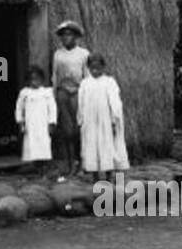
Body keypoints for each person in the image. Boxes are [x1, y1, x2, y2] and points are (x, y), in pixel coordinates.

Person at [76, 52, 129, 174]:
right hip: (90, 123)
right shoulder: (85, 83)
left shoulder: (109, 82)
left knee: (107, 148)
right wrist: (81, 119)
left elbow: (115, 103)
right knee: (91, 148)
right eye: (92, 68)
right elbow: (81, 103)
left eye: (98, 68)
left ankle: (109, 176)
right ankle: (95, 177)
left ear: (103, 67)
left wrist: (115, 120)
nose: (95, 71)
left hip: (105, 122)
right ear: (88, 68)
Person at [51, 20, 90, 175]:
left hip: (78, 92)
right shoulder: (58, 54)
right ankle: (70, 163)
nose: (66, 38)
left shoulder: (83, 54)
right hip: (63, 92)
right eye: (64, 35)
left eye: (69, 34)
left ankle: (83, 162)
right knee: (67, 131)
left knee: (79, 128)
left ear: (75, 37)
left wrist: (86, 96)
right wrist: (54, 95)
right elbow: (55, 75)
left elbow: (87, 76)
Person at [15, 65, 57, 165]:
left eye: (37, 79)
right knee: (32, 146)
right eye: (32, 80)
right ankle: (36, 167)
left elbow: (52, 108)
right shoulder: (24, 93)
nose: (34, 82)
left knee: (44, 145)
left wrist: (52, 122)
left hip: (43, 124)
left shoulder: (47, 92)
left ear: (42, 80)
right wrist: (20, 121)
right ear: (28, 81)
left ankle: (44, 167)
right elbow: (19, 108)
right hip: (30, 125)